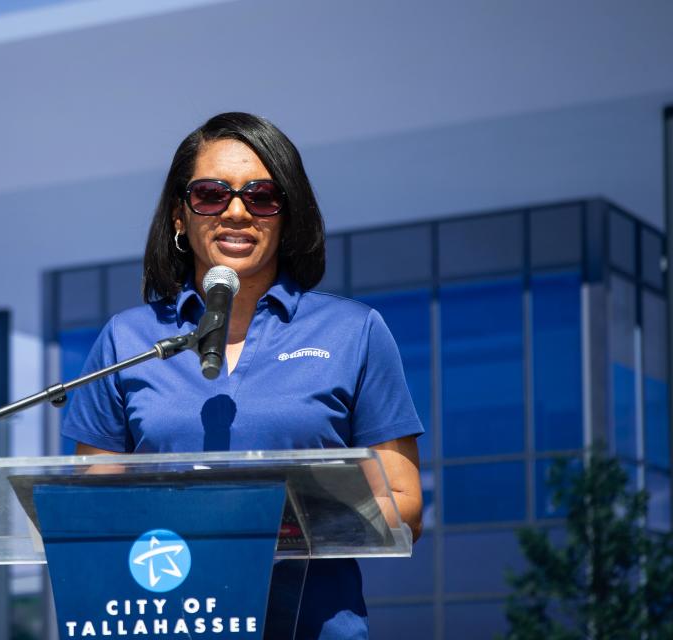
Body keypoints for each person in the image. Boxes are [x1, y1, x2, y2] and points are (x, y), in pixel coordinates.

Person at [61, 112, 423, 639]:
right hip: (167, 623)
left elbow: (406, 505)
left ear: (287, 215)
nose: (235, 212)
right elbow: (93, 513)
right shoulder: (128, 342)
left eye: (261, 196)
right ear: (179, 216)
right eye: (210, 194)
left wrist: (287, 521)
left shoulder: (355, 331)